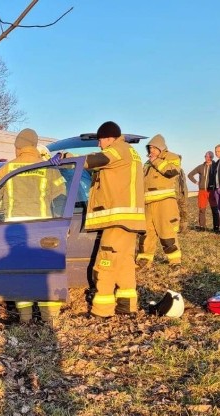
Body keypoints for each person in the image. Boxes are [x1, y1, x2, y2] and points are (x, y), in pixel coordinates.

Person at [0, 128, 65, 323]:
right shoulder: (48, 168)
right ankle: (50, 319)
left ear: (19, 147)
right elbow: (61, 197)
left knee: (22, 273)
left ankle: (25, 318)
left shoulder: (8, 168)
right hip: (44, 228)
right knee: (44, 271)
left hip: (15, 228)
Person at [80, 121, 146, 317]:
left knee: (105, 264)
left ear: (109, 138)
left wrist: (70, 159)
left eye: (100, 141)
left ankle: (102, 310)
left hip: (119, 219)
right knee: (124, 265)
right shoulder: (129, 152)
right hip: (129, 220)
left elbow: (95, 160)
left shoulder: (117, 150)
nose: (99, 145)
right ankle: (126, 307)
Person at [136, 134, 182, 269]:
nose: (151, 151)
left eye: (154, 148)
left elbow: (170, 172)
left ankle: (175, 262)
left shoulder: (172, 157)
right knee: (146, 234)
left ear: (160, 148)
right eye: (149, 148)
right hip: (147, 204)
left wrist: (155, 160)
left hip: (164, 203)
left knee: (167, 232)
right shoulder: (147, 163)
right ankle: (144, 261)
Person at [187, 151, 214, 230]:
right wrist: (196, 182)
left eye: (209, 157)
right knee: (202, 209)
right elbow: (190, 175)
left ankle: (216, 227)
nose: (207, 158)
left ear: (212, 157)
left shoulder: (215, 166)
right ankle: (202, 226)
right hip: (202, 191)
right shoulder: (200, 167)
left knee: (214, 209)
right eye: (206, 156)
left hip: (211, 191)